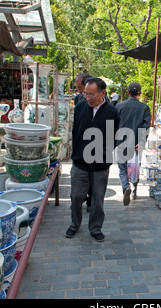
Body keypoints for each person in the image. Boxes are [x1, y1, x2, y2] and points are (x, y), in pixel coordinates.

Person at [66, 77, 120, 242]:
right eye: (85, 94)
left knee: (97, 199)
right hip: (80, 162)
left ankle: (95, 228)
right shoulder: (81, 107)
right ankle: (74, 224)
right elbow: (75, 131)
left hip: (100, 165)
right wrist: (76, 153)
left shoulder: (112, 112)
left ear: (102, 93)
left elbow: (115, 138)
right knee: (76, 196)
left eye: (91, 94)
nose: (87, 98)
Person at [115, 82, 151, 205]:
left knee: (123, 168)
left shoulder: (119, 106)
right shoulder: (144, 108)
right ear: (139, 93)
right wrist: (141, 142)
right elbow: (146, 126)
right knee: (135, 167)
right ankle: (134, 191)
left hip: (121, 142)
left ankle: (125, 187)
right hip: (136, 143)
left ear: (127, 92)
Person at [73, 73, 93, 210]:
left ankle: (91, 200)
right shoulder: (78, 99)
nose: (78, 89)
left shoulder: (101, 99)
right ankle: (81, 198)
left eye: (79, 87)